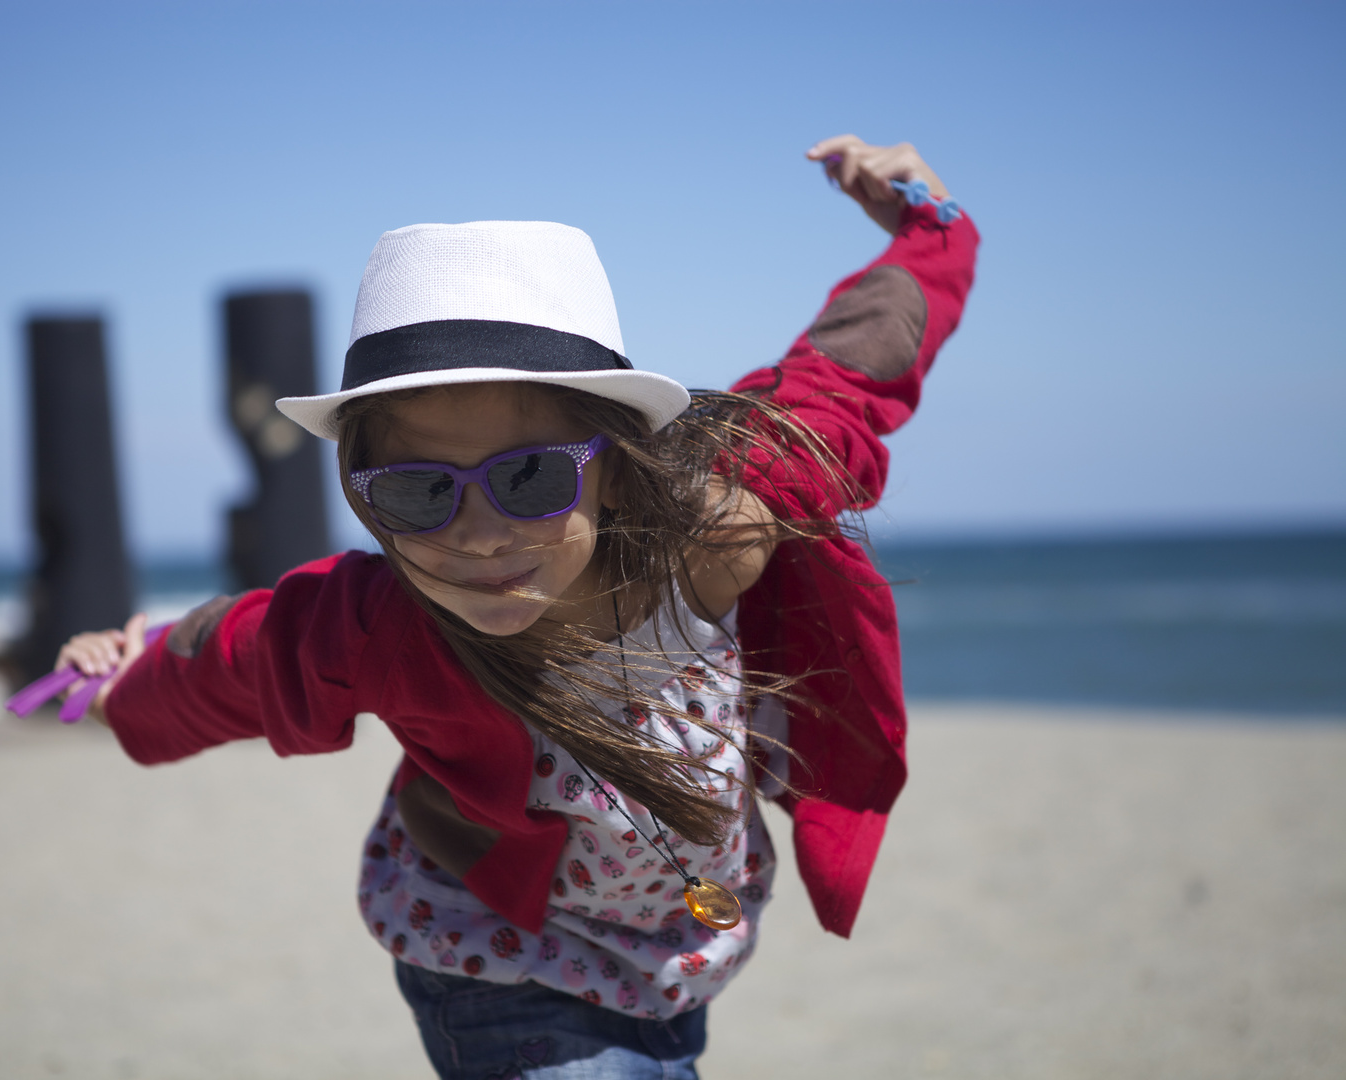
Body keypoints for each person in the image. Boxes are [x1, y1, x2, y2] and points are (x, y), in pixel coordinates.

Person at [54, 134, 978, 1079]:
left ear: (614, 468)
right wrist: (126, 673)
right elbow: (235, 654)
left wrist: (930, 232)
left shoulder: (716, 535)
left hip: (675, 970)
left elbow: (846, 378)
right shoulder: (382, 624)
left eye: (530, 476)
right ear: (366, 497)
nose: (481, 534)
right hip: (490, 955)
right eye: (418, 492)